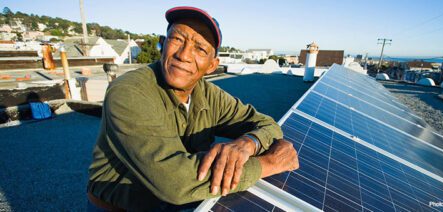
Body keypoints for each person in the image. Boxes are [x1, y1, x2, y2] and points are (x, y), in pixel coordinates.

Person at [87, 6, 299, 211]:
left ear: (211, 65)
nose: (184, 55)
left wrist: (249, 143)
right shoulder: (129, 92)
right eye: (177, 39)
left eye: (200, 48)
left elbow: (266, 124)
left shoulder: (209, 95)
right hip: (120, 207)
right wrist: (269, 164)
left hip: (173, 204)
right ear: (162, 44)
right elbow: (174, 182)